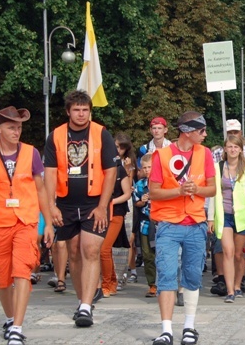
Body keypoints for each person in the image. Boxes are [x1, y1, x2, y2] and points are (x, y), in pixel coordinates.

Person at [0, 106, 54, 345]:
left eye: (19, 127)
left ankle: (17, 327)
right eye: (11, 127)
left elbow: (41, 190)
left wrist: (48, 223)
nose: (16, 131)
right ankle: (10, 318)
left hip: (26, 222)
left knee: (22, 272)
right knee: (2, 278)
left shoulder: (31, 153)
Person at [44, 90, 118, 327]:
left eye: (85, 110)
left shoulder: (101, 133)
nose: (81, 114)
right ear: (68, 112)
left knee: (90, 249)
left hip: (92, 203)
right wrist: (51, 206)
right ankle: (81, 299)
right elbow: (49, 174)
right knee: (73, 253)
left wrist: (102, 206)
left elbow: (111, 172)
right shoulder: (55, 136)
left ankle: (87, 305)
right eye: (76, 109)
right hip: (65, 203)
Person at [149, 111, 216, 345]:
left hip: (196, 223)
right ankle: (166, 329)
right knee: (166, 275)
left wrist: (195, 190)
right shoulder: (162, 155)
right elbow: (154, 192)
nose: (205, 135)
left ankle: (189, 326)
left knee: (193, 275)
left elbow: (212, 189)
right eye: (201, 131)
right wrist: (178, 191)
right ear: (187, 131)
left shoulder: (205, 154)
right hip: (168, 223)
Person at [209, 135, 245, 302]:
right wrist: (210, 218)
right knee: (227, 252)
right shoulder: (217, 167)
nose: (232, 150)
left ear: (240, 150)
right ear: (225, 149)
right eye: (229, 147)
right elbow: (212, 194)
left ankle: (238, 284)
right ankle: (230, 291)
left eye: (235, 147)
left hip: (242, 216)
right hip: (224, 216)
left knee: (239, 255)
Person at [100, 133, 133, 297]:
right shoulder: (102, 167)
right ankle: (111, 282)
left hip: (116, 213)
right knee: (102, 249)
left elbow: (127, 194)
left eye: (120, 147)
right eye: (115, 146)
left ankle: (107, 284)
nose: (116, 150)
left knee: (104, 249)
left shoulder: (120, 169)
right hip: (101, 212)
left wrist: (110, 202)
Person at [134, 153, 157, 297]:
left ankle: (165, 283)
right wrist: (142, 200)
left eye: (150, 167)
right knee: (148, 255)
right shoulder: (140, 184)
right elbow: (136, 203)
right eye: (145, 168)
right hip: (145, 224)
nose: (147, 170)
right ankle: (152, 284)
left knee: (162, 254)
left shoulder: (162, 181)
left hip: (161, 223)